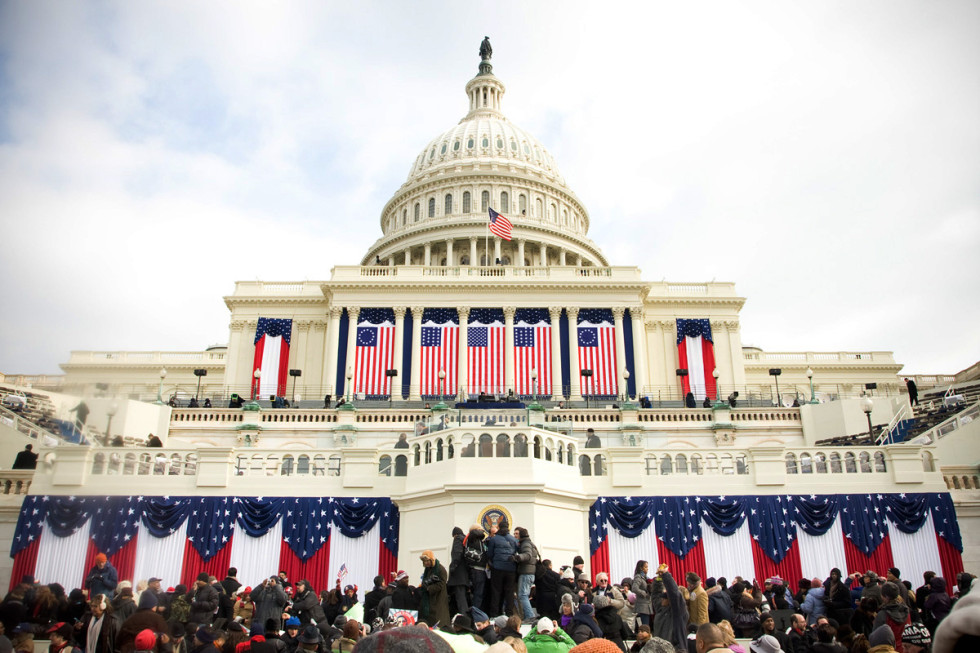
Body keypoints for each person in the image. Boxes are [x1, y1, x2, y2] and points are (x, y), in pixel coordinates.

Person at [486, 520, 519, 616]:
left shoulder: (494, 539)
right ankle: (509, 614)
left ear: (499, 528)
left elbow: (490, 554)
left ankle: (494, 614)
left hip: (497, 568)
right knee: (509, 593)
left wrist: (493, 564)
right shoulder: (514, 540)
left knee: (496, 592)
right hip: (511, 569)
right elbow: (516, 553)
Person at [514, 527, 540, 622]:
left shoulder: (525, 544)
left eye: (517, 534)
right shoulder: (529, 543)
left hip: (526, 573)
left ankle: (530, 616)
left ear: (521, 535)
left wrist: (517, 557)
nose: (515, 536)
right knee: (524, 595)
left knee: (523, 595)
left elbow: (528, 555)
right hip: (529, 573)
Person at [873, 582, 909, 651]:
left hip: (889, 650)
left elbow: (876, 638)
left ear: (884, 596)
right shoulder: (906, 611)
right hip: (904, 648)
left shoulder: (882, 614)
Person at [418, 550, 449, 627]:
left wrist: (429, 588)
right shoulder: (427, 569)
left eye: (427, 561)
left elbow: (442, 583)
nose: (426, 563)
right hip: (429, 601)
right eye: (424, 561)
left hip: (438, 600)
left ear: (431, 559)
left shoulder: (441, 569)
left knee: (438, 622)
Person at [447, 527, 470, 616]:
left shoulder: (458, 539)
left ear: (455, 534)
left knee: (460, 599)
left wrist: (453, 567)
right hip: (465, 576)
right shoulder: (466, 540)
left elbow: (457, 554)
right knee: (463, 597)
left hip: (459, 576)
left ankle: (464, 617)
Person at [633, 561, 652, 628]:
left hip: (647, 605)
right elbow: (634, 588)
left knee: (647, 625)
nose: (647, 568)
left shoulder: (646, 578)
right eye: (646, 567)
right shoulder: (638, 577)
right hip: (642, 606)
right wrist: (644, 593)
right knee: (644, 626)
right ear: (641, 568)